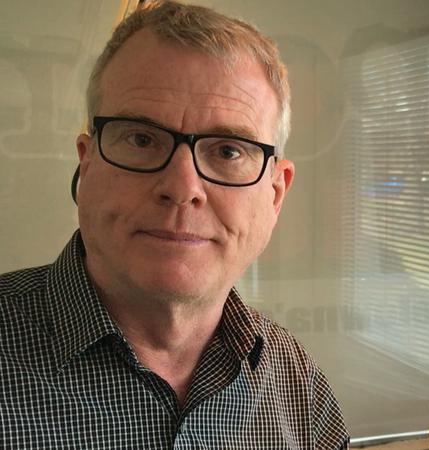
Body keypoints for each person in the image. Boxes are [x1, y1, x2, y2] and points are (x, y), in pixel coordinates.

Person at [0, 1, 348, 448]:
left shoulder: (299, 384)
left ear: (276, 193)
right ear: (87, 165)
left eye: (228, 151)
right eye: (142, 138)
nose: (182, 188)